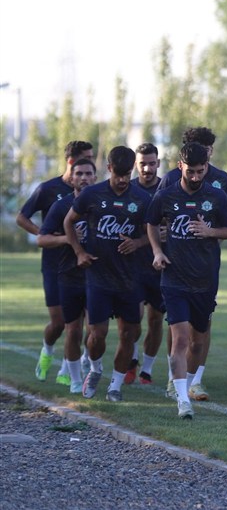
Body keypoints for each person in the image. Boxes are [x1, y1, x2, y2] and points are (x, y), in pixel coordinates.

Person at [146, 142, 227, 419]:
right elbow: (151, 222)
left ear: (206, 167)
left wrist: (210, 232)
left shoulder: (216, 196)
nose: (196, 177)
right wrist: (158, 251)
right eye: (190, 172)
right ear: (180, 167)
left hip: (205, 280)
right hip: (174, 279)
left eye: (200, 171)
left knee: (198, 342)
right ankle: (183, 401)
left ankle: (186, 385)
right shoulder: (165, 195)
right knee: (181, 340)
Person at [64, 146, 152, 402]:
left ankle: (115, 385)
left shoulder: (142, 199)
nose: (123, 180)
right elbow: (69, 221)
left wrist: (138, 243)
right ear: (109, 168)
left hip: (129, 278)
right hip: (98, 277)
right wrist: (79, 252)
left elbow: (153, 232)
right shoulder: (92, 194)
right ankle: (95, 369)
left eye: (127, 174)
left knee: (128, 334)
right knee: (97, 335)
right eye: (118, 174)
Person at [19, 140, 94, 385]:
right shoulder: (48, 189)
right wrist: (48, 233)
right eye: (86, 158)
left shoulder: (93, 195)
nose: (89, 164)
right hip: (54, 265)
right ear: (71, 162)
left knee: (84, 324)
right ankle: (47, 351)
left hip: (84, 267)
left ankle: (67, 370)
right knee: (59, 322)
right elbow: (22, 217)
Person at [36, 158, 97, 393]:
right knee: (72, 330)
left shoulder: (103, 204)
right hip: (69, 275)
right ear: (71, 178)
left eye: (88, 173)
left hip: (97, 276)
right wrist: (68, 238)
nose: (83, 178)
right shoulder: (61, 206)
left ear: (95, 177)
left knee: (95, 330)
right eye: (79, 173)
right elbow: (42, 239)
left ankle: (88, 365)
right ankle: (74, 379)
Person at [127, 143, 164, 386]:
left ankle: (146, 370)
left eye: (152, 163)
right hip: (133, 267)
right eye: (142, 164)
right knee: (134, 318)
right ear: (135, 165)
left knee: (155, 320)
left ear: (158, 163)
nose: (147, 169)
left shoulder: (168, 188)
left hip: (161, 267)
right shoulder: (127, 189)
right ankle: (132, 359)